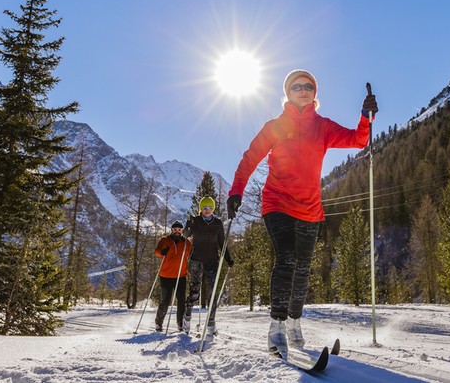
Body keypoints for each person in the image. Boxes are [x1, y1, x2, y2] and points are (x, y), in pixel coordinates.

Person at [226, 69, 378, 355]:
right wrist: (236, 191)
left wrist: (365, 116)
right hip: (277, 203)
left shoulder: (322, 126)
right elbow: (249, 158)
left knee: (304, 269)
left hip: (310, 209)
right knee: (286, 258)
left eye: (309, 86)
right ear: (288, 92)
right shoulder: (275, 126)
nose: (304, 90)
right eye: (297, 86)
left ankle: (295, 323)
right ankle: (277, 326)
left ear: (314, 93)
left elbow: (358, 140)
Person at [182, 196, 233, 336]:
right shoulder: (196, 221)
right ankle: (187, 318)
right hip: (196, 260)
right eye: (204, 208)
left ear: (213, 209)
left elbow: (222, 243)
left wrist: (228, 258)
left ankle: (211, 322)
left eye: (210, 208)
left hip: (212, 260)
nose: (207, 210)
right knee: (195, 291)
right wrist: (188, 224)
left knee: (212, 292)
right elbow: (185, 235)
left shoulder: (217, 223)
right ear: (201, 209)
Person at [153, 221, 192, 332]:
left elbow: (192, 254)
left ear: (182, 231)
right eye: (175, 229)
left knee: (181, 301)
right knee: (165, 301)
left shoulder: (186, 243)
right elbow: (157, 251)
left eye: (179, 230)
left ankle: (180, 324)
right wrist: (162, 252)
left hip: (181, 276)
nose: (177, 231)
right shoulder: (165, 240)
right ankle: (159, 323)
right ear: (171, 230)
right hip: (166, 276)